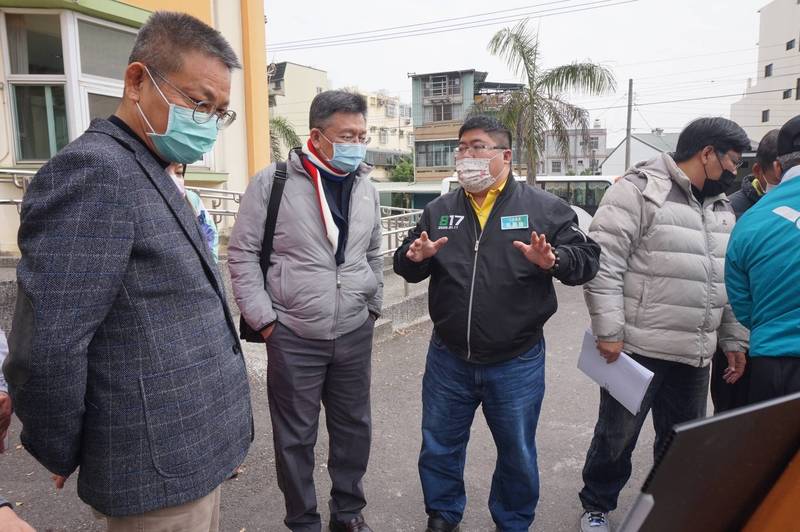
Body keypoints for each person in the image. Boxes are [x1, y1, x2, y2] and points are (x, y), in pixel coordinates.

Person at [3, 12, 252, 531]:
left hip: (193, 452)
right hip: (149, 467)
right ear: (137, 81)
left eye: (219, 112)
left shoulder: (153, 168)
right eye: (198, 102)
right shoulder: (96, 172)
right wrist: (67, 446)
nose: (207, 121)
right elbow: (49, 345)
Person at [393, 115, 601, 532]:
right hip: (448, 357)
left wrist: (555, 260)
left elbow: (588, 259)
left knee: (517, 452)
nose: (466, 156)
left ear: (505, 156)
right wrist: (415, 258)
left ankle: (512, 520)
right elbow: (407, 263)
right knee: (439, 445)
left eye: (477, 146)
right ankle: (443, 513)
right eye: (462, 148)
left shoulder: (543, 209)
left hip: (516, 360)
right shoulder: (440, 210)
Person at [579, 117, 751, 532]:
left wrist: (733, 338)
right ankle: (597, 506)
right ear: (706, 154)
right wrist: (609, 331)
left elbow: (725, 279)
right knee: (616, 438)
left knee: (680, 442)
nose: (735, 171)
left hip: (694, 353)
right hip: (637, 349)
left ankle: (668, 508)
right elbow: (604, 264)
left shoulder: (721, 208)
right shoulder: (639, 191)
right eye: (731, 161)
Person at [229, 90, 383, 532]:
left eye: (362, 134)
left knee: (354, 429)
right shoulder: (272, 182)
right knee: (295, 438)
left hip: (354, 330)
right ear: (317, 136)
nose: (357, 143)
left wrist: (371, 306)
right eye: (346, 135)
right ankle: (302, 520)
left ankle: (348, 512)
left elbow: (372, 252)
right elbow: (242, 254)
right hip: (293, 334)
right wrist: (267, 322)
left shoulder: (365, 186)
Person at [726, 114, 800, 404]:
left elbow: (743, 305)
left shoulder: (749, 220)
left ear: (779, 168)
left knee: (774, 449)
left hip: (773, 367)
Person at [711, 129, 780, 413]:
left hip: (777, 341)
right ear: (760, 170)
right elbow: (725, 279)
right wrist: (736, 338)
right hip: (738, 337)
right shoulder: (732, 210)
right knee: (732, 418)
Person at [167, 162, 220, 262]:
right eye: (164, 175)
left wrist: (210, 265)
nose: (176, 184)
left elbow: (210, 234)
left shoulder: (192, 199)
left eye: (179, 173)